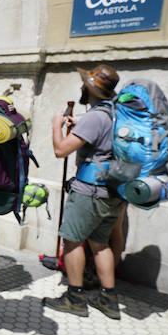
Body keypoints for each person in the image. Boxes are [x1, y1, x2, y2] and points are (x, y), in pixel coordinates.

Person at [42, 64, 124, 320]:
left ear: (90, 89)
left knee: (72, 240)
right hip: (113, 191)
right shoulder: (115, 113)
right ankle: (109, 299)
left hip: (90, 192)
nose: (81, 87)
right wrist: (80, 123)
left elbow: (61, 150)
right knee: (100, 244)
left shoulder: (94, 117)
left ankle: (75, 297)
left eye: (84, 84)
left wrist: (56, 125)